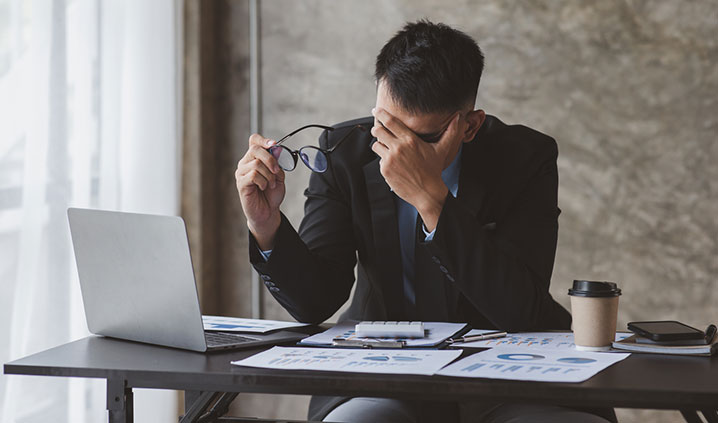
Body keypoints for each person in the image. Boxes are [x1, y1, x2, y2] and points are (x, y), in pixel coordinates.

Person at [235, 20, 615, 423]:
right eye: (385, 127)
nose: (395, 153)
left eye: (420, 139)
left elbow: (520, 309)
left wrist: (430, 198)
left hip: (508, 370)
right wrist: (266, 225)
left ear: (469, 126)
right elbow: (316, 302)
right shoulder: (344, 152)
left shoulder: (526, 157)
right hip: (383, 371)